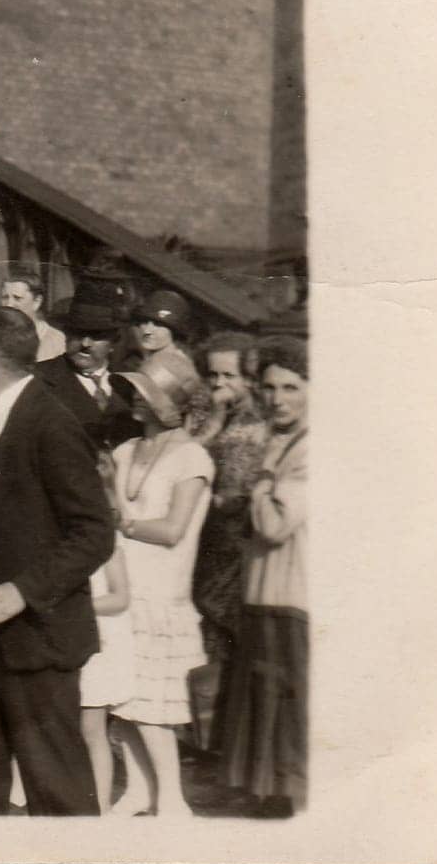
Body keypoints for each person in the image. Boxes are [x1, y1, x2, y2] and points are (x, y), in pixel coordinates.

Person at [0, 307, 113, 816]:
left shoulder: (51, 423)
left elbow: (95, 532)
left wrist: (22, 591)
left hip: (39, 638)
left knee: (57, 790)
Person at [106, 353, 214, 818]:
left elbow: (172, 529)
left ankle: (173, 798)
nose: (135, 399)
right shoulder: (125, 451)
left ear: (169, 404)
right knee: (122, 698)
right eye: (134, 391)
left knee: (153, 706)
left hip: (161, 593)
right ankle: (137, 791)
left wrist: (125, 524)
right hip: (122, 589)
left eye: (146, 393)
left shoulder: (192, 457)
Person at [219, 335, 308, 817]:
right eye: (271, 388)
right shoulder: (281, 442)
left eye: (292, 387)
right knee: (268, 694)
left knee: (286, 698)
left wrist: (260, 486)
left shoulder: (310, 448)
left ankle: (291, 803)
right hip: (265, 590)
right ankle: (273, 797)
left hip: (292, 590)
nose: (278, 399)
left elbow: (275, 524)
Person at [192, 331, 269, 695]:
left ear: (248, 379)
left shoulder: (251, 426)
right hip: (212, 541)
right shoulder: (218, 417)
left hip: (235, 543)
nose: (218, 383)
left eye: (228, 376)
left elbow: (233, 494)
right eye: (213, 375)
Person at [35, 281, 144, 453]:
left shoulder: (131, 386)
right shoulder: (38, 379)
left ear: (113, 342)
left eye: (96, 335)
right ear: (66, 334)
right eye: (78, 333)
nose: (86, 343)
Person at [79, 548, 134, 815]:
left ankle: (101, 806)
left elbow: (121, 598)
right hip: (66, 643)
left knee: (92, 728)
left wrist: (78, 606)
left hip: (98, 645)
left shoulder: (108, 549)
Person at [129, 289, 198, 380]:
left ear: (175, 331)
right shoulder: (162, 356)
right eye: (145, 322)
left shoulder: (171, 365)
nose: (147, 331)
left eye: (158, 325)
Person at [0, 268, 67, 363]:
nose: (9, 304)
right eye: (5, 297)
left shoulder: (56, 341)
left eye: (17, 298)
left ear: (37, 302)